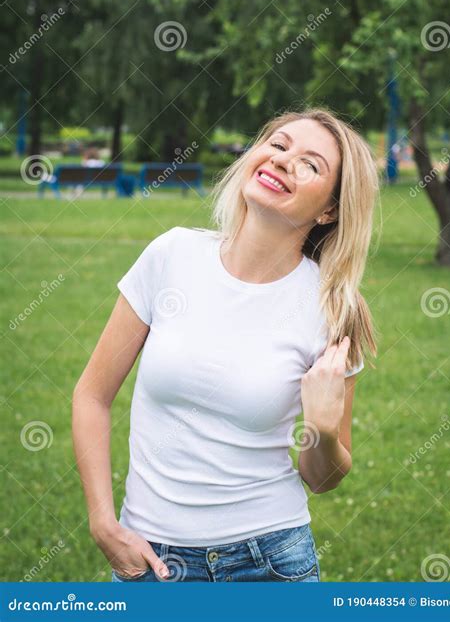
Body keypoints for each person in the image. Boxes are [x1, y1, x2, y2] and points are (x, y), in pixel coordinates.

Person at [72, 107, 379, 583]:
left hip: (269, 563)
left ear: (330, 209)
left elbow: (323, 478)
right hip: (150, 561)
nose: (282, 161)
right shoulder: (171, 256)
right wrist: (103, 523)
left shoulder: (333, 308)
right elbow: (92, 396)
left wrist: (319, 427)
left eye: (310, 164)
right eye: (278, 145)